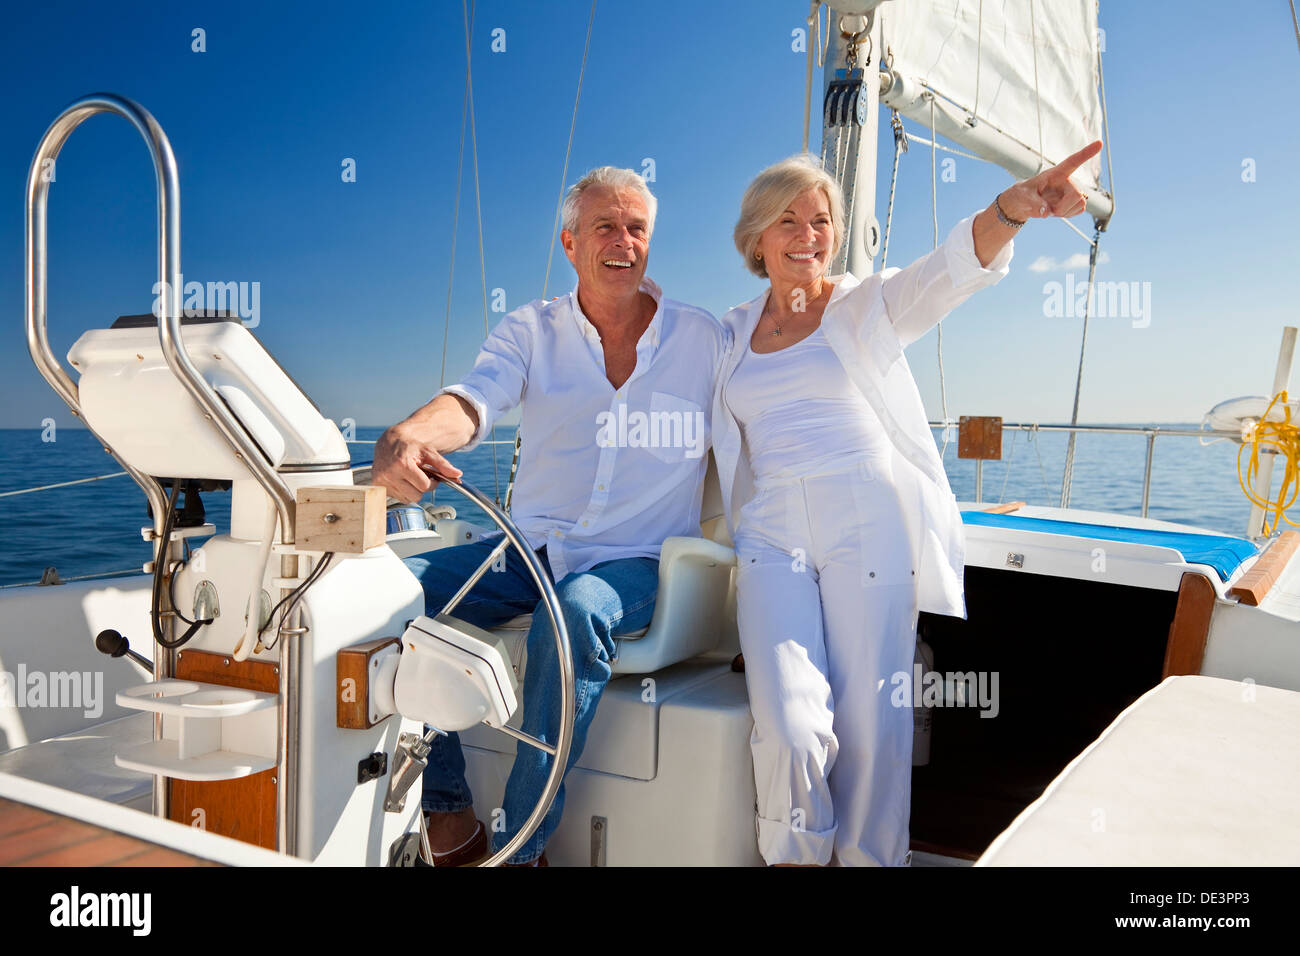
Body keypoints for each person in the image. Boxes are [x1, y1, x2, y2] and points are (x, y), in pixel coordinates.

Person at [712, 143, 1103, 866]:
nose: (808, 235)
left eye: (821, 220)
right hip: (771, 535)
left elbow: (948, 272)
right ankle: (795, 859)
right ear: (755, 240)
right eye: (788, 220)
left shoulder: (866, 305)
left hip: (867, 522)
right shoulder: (728, 334)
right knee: (792, 721)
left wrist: (1015, 207)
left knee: (871, 724)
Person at [372, 166, 724, 866]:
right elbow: (475, 400)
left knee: (573, 616)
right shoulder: (530, 330)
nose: (622, 241)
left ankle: (521, 848)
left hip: (640, 562)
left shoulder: (705, 340)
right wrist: (411, 434)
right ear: (570, 242)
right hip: (526, 548)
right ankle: (447, 813)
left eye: (636, 228)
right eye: (604, 227)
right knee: (394, 597)